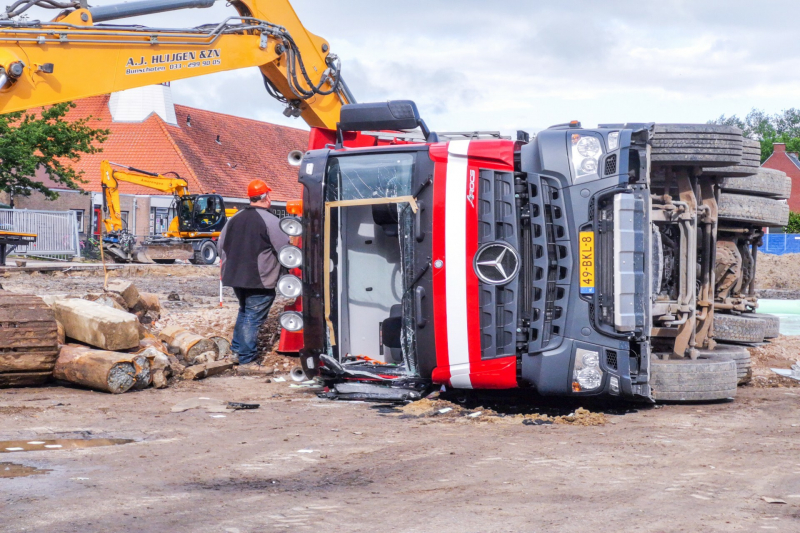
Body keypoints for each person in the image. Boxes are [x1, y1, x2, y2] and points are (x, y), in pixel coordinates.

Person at [218, 179, 289, 367]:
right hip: (260, 279)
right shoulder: (271, 221)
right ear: (266, 197)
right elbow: (286, 251)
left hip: (234, 277)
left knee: (244, 312)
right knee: (252, 317)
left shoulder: (234, 219)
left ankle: (237, 351)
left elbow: (220, 247)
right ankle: (247, 359)